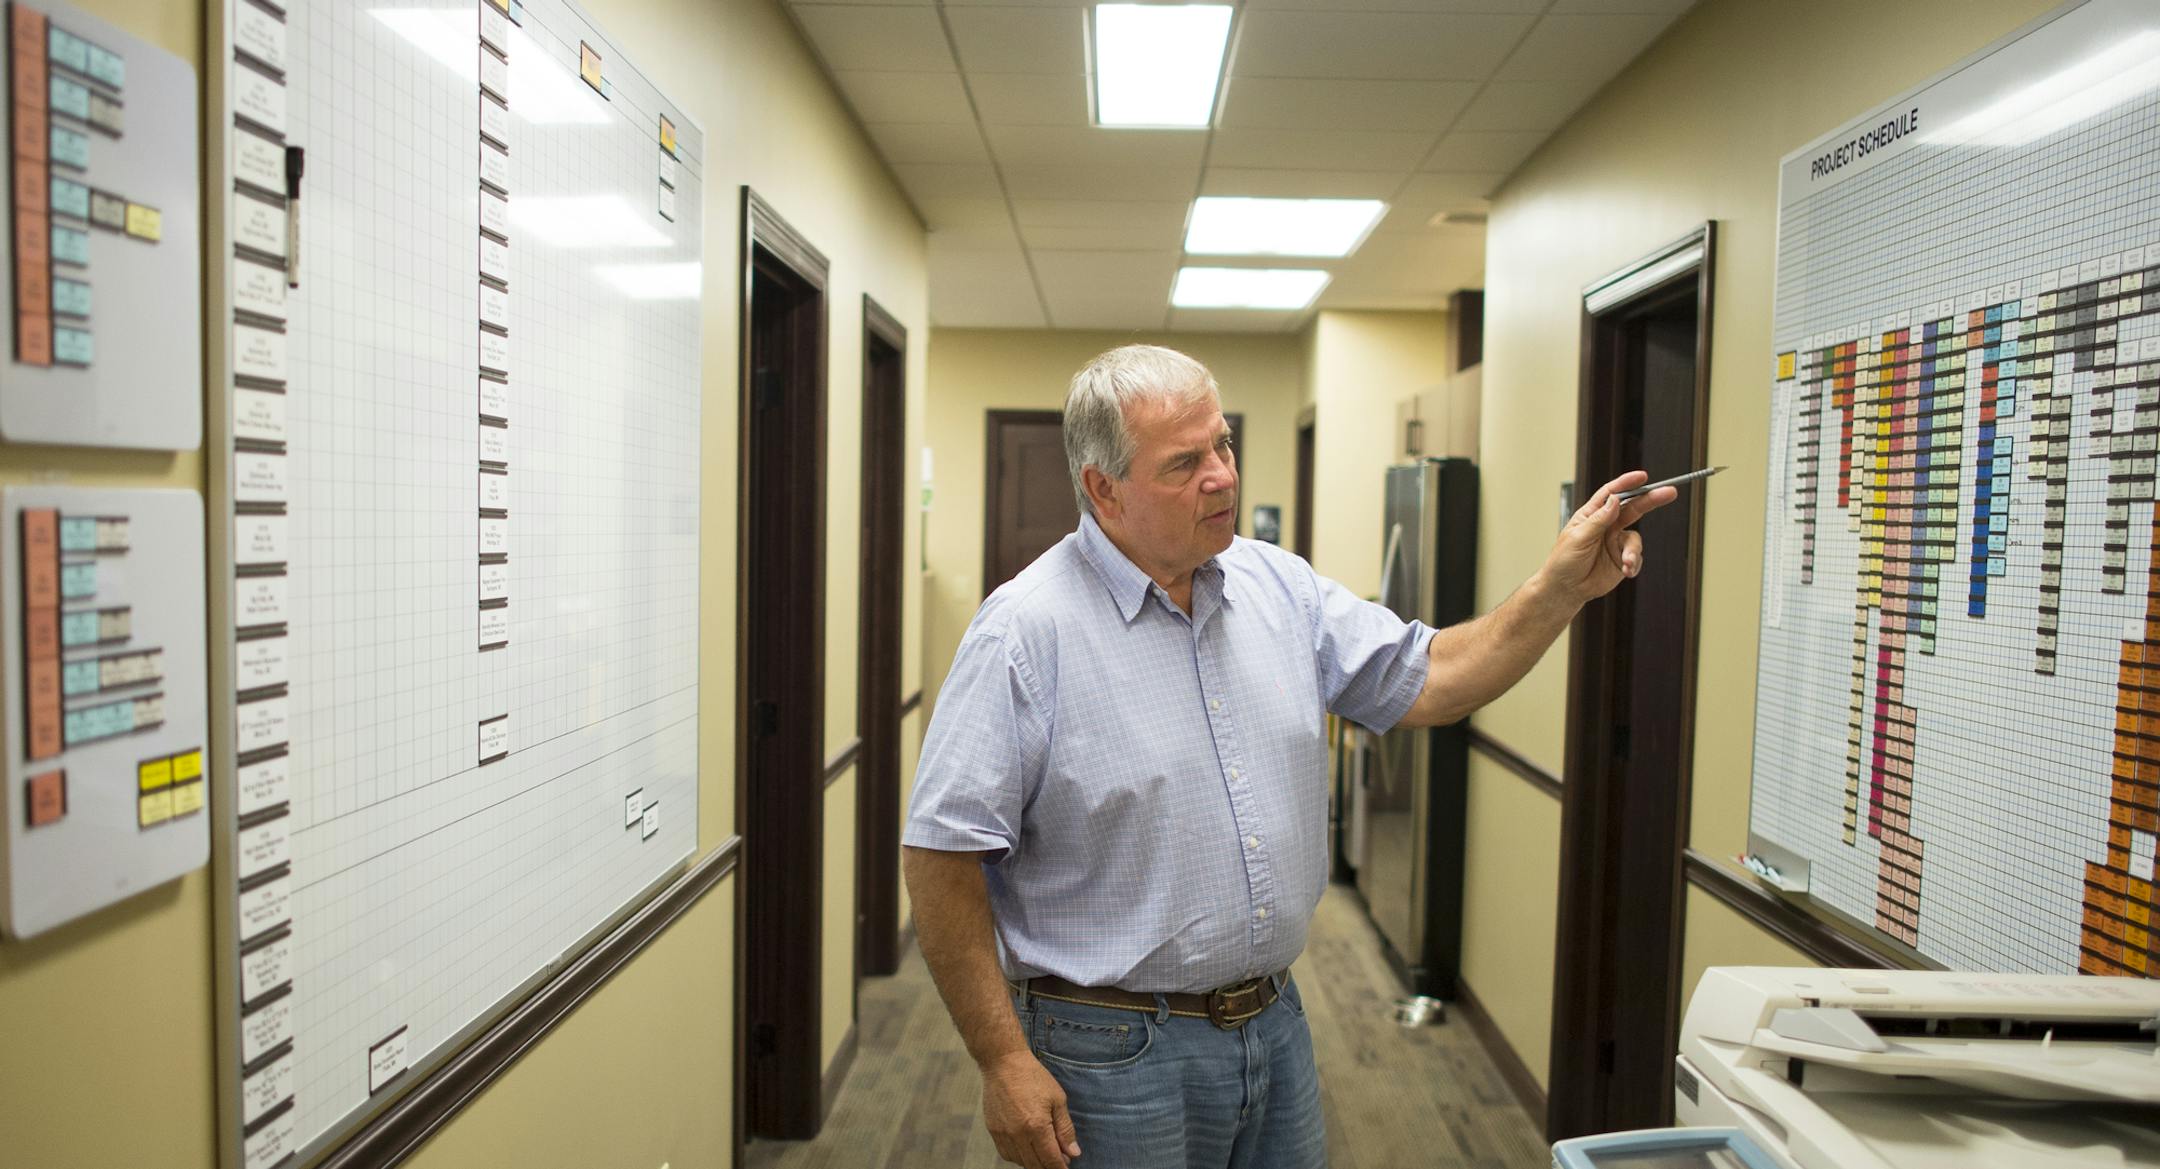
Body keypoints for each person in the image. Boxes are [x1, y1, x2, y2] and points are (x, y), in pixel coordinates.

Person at [903, 345, 1675, 1169]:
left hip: (1275, 1024)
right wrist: (1002, 1059)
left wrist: (1557, 588)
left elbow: (1434, 678)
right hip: (1108, 1051)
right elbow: (942, 852)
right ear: (1103, 488)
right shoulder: (1026, 631)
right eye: (1185, 463)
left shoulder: (1279, 587)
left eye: (1224, 444)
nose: (1223, 477)